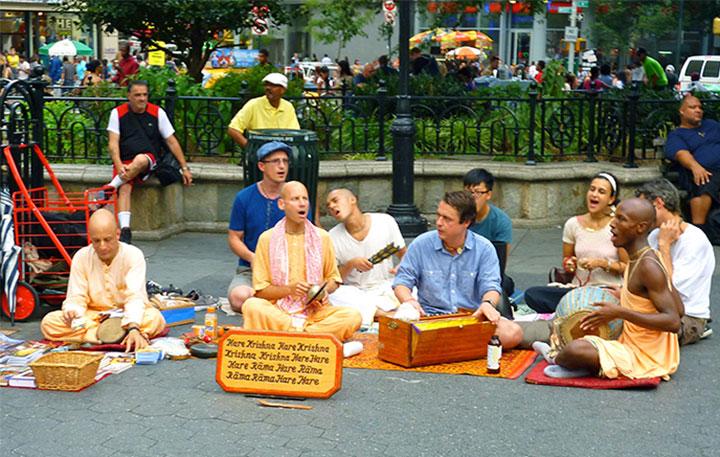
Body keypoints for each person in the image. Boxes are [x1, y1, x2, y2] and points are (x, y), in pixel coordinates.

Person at [536, 198, 681, 380]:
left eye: (621, 219)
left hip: (645, 356)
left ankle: (557, 358)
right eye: (615, 217)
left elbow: (674, 321)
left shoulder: (648, 265)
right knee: (573, 332)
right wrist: (626, 297)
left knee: (575, 348)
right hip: (630, 341)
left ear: (640, 227)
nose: (613, 224)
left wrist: (620, 312)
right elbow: (680, 308)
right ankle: (583, 364)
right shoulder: (640, 258)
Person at [393, 191, 524, 348]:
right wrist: (409, 301)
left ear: (466, 222)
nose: (439, 223)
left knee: (513, 332)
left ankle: (442, 346)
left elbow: (491, 286)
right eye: (438, 215)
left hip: (471, 319)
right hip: (429, 319)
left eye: (447, 219)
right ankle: (460, 347)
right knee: (396, 330)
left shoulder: (484, 248)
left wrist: (487, 304)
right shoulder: (421, 244)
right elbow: (402, 281)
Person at [241, 181, 362, 342]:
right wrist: (289, 290)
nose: (302, 203)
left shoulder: (322, 237)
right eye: (296, 199)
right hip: (278, 310)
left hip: (315, 312)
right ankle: (307, 335)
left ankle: (291, 334)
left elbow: (333, 279)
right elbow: (261, 291)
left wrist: (322, 291)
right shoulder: (267, 239)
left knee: (352, 316)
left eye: (305, 199)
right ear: (282, 204)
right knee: (252, 306)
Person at [40, 209, 166, 352]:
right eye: (96, 241)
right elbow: (76, 297)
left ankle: (111, 336)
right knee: (49, 322)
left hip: (125, 315)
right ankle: (108, 336)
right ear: (90, 238)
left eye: (107, 239)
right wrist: (72, 311)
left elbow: (134, 297)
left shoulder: (133, 255)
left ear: (117, 234)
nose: (102, 247)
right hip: (93, 317)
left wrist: (133, 326)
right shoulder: (81, 257)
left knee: (155, 318)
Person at [524, 173, 629, 313]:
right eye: (592, 189)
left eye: (601, 192)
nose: (594, 195)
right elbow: (567, 260)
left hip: (606, 290)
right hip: (577, 291)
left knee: (598, 303)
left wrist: (601, 264)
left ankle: (580, 310)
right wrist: (570, 265)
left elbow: (627, 267)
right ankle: (579, 309)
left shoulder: (617, 226)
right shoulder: (572, 224)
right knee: (533, 294)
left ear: (611, 199)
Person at [104, 80, 193, 243]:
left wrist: (184, 167)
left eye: (145, 95)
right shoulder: (117, 113)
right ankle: (125, 230)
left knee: (140, 160)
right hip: (124, 161)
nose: (142, 99)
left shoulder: (157, 112)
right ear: (128, 96)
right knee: (124, 187)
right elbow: (113, 143)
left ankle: (110, 187)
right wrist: (118, 164)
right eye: (137, 95)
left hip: (148, 158)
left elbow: (171, 141)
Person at [635, 179, 714, 345]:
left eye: (644, 208)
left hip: (686, 316)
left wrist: (664, 246)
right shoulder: (653, 235)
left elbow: (671, 291)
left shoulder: (694, 239)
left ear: (658, 203)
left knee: (639, 335)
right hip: (654, 309)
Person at [227, 141, 295, 312]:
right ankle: (273, 303)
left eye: (285, 161)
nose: (282, 166)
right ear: (261, 166)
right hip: (251, 271)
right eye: (276, 161)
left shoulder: (295, 196)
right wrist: (252, 258)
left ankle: (268, 303)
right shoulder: (244, 197)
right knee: (238, 297)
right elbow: (234, 237)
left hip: (289, 271)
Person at [326, 188, 406, 326]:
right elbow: (335, 281)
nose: (332, 207)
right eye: (328, 206)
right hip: (357, 292)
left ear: (352, 200)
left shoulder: (385, 221)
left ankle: (378, 315)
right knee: (333, 296)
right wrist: (351, 264)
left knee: (418, 286)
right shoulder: (332, 237)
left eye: (335, 201)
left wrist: (401, 266)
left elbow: (405, 255)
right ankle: (388, 316)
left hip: (386, 287)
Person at [664, 95, 719, 228]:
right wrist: (695, 167)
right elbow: (681, 153)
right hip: (699, 172)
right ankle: (698, 228)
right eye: (692, 107)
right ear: (682, 111)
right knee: (704, 180)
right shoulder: (677, 134)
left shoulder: (712, 125)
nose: (698, 110)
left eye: (700, 107)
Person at [227, 73, 300, 148]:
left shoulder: (288, 107)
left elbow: (294, 133)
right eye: (266, 85)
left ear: (283, 90)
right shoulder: (253, 104)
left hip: (282, 153)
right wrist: (250, 148)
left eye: (273, 85)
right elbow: (233, 129)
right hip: (260, 154)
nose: (268, 88)